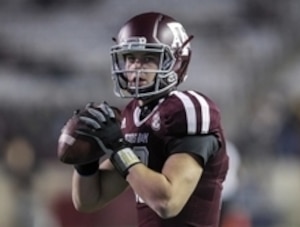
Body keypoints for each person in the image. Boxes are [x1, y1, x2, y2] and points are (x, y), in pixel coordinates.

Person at [67, 11, 229, 227]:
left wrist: (118, 147)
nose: (136, 67)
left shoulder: (188, 109)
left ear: (176, 62)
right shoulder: (132, 115)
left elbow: (167, 202)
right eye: (131, 58)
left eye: (148, 59)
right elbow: (89, 200)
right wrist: (85, 161)